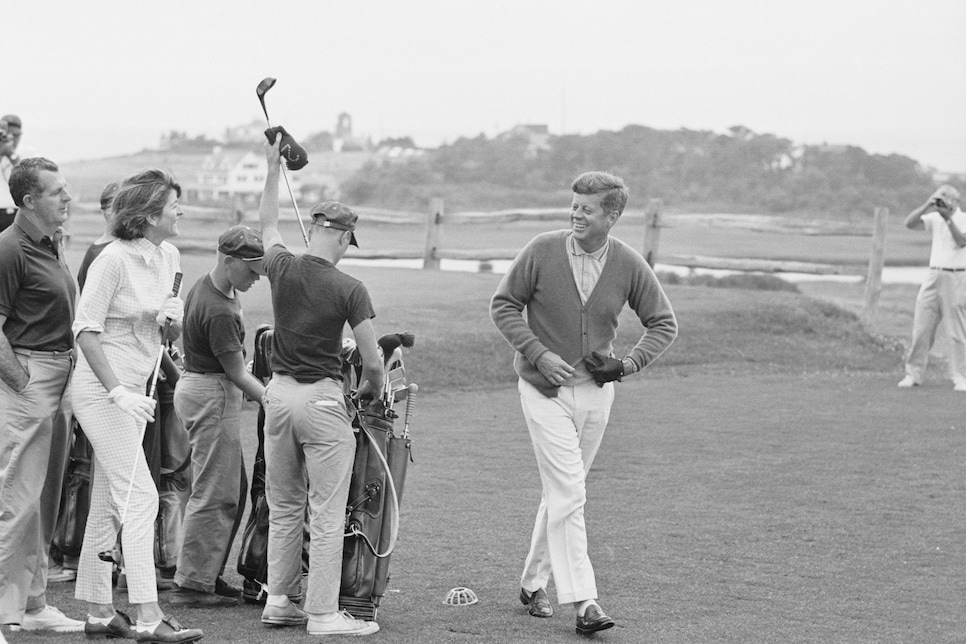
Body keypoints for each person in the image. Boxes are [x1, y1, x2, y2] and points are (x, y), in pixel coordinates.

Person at [490, 171, 677, 636]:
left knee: (562, 493)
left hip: (596, 394)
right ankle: (584, 602)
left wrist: (628, 364)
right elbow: (503, 305)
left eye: (587, 209)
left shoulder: (629, 263)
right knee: (570, 492)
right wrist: (539, 353)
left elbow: (663, 323)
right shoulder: (541, 250)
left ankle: (533, 583)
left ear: (611, 215)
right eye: (573, 205)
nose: (576, 214)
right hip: (541, 389)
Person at [257, 135, 384, 636]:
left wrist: (273, 168)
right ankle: (324, 615)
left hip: (278, 397)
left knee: (285, 507)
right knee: (326, 511)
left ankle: (279, 602)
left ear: (313, 228)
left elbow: (267, 223)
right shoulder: (351, 287)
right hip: (322, 400)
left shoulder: (281, 265)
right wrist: (371, 391)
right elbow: (372, 362)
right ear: (346, 237)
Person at [71, 168, 203, 643]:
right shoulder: (112, 260)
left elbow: (162, 334)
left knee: (109, 499)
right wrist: (117, 391)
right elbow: (85, 330)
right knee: (142, 496)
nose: (180, 211)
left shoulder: (168, 255)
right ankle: (148, 613)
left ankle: (99, 611)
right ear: (149, 215)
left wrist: (172, 324)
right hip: (103, 392)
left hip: (139, 392)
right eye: (173, 205)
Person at [0, 157, 84, 634]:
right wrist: (23, 383)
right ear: (30, 201)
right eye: (57, 192)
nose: (67, 198)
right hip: (30, 376)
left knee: (46, 498)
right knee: (17, 500)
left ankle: (33, 604)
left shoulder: (50, 244)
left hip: (59, 375)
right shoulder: (9, 249)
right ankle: (5, 611)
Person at [169, 225, 267, 608]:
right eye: (252, 270)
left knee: (231, 489)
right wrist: (274, 399)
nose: (258, 277)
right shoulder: (220, 309)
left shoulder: (209, 286)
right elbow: (238, 374)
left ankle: (203, 575)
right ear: (229, 261)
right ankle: (191, 585)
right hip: (211, 393)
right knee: (215, 493)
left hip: (202, 388)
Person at [48, 180, 122, 585]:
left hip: (100, 370)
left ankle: (85, 556)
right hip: (97, 373)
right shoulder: (101, 254)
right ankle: (73, 554)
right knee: (84, 470)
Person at [898, 185, 966, 391]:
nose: (943, 202)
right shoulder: (933, 218)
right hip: (933, 275)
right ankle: (913, 374)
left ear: (956, 201)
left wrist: (947, 218)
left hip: (956, 276)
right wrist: (927, 204)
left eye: (947, 199)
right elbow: (909, 224)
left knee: (956, 331)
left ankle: (960, 376)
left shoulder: (963, 219)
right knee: (922, 328)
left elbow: (962, 241)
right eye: (941, 198)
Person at [0, 115, 23, 233]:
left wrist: (11, 154)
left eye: (16, 135)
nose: (12, 138)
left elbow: (29, 175)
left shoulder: (28, 152)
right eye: (9, 135)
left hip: (16, 214)